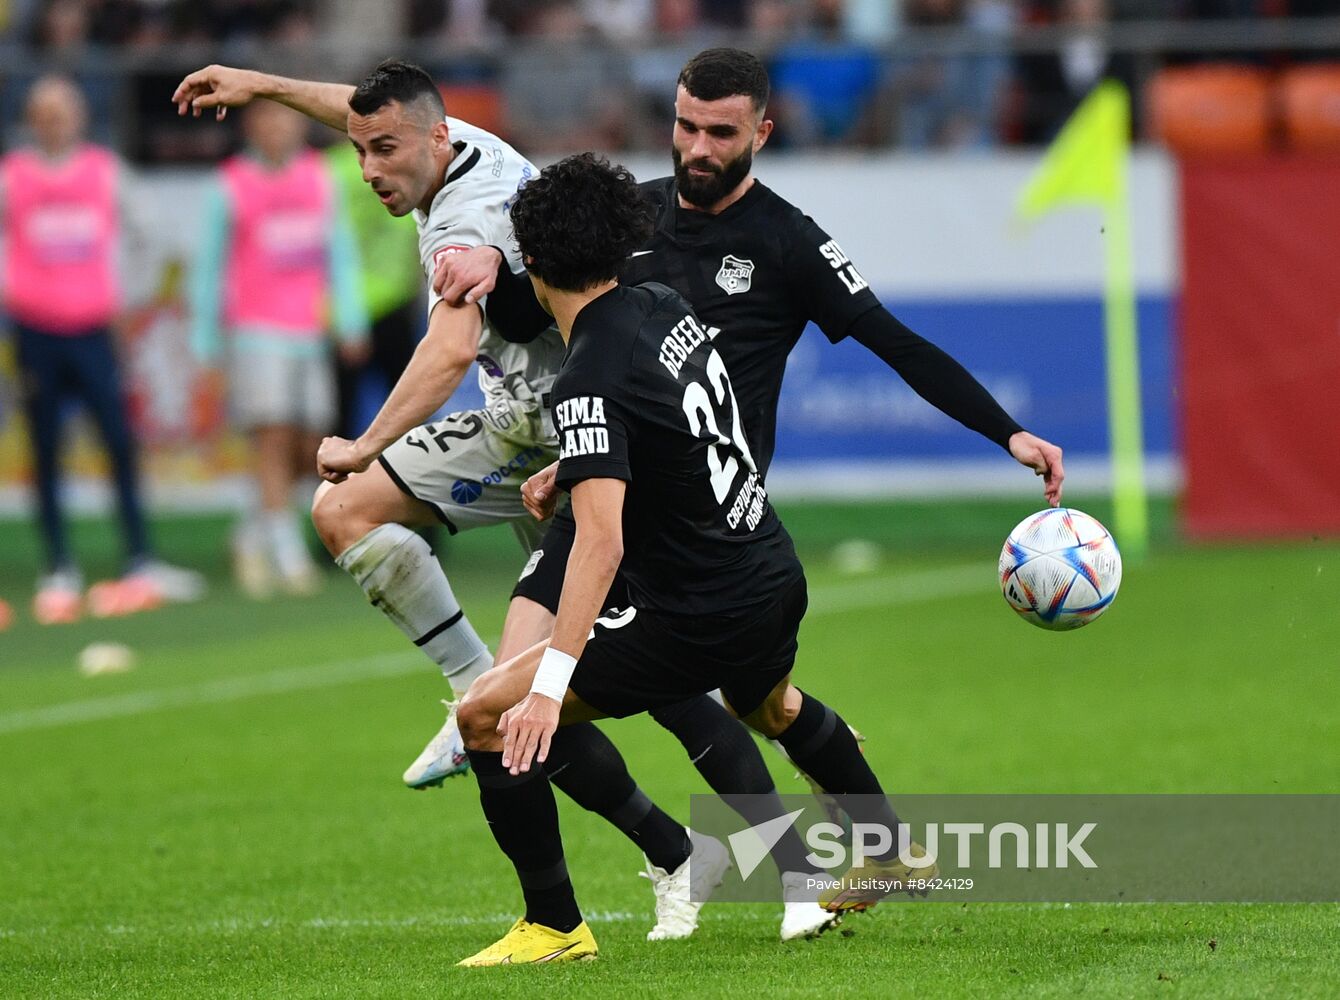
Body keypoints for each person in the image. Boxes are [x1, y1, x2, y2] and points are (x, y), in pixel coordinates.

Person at [171, 59, 842, 944]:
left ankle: (704, 871)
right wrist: (261, 84)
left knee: (613, 674)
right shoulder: (449, 143)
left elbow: (449, 352)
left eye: (383, 153)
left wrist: (365, 442)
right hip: (554, 437)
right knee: (566, 684)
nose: (369, 167)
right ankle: (670, 851)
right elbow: (371, 115)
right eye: (362, 150)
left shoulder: (466, 225)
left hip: (553, 433)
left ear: (435, 142)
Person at [431, 44, 1065, 905]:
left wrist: (1008, 432)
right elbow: (547, 306)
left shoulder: (789, 241)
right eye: (686, 126)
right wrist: (494, 272)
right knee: (749, 705)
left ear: (762, 130)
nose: (696, 148)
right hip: (634, 504)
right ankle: (857, 857)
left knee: (529, 702)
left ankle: (606, 896)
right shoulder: (631, 222)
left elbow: (896, 342)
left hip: (702, 529)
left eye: (720, 133)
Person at [452, 152, 935, 968]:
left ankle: (554, 926)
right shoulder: (663, 302)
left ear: (532, 264)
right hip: (770, 571)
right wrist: (573, 462)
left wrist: (546, 686)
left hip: (693, 612)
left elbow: (600, 545)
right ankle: (887, 852)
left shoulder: (586, 378)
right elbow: (680, 425)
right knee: (771, 706)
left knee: (486, 716)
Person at [0, 75, 205, 624]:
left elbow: (155, 237)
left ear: (79, 117)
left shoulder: (105, 173)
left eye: (62, 111)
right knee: (44, 450)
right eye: (43, 112)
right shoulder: (13, 177)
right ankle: (58, 567)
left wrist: (127, 297)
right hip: (36, 332)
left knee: (118, 444)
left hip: (93, 331)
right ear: (31, 120)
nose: (54, 121)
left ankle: (139, 558)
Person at [190, 101, 369, 597]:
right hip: (255, 330)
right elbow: (208, 268)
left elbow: (340, 250)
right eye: (267, 120)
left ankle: (251, 533)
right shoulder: (230, 185)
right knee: (270, 436)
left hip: (308, 329)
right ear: (251, 127)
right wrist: (205, 341)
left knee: (308, 444)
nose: (277, 128)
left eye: (284, 119)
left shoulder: (319, 177)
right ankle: (287, 553)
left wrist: (350, 318)